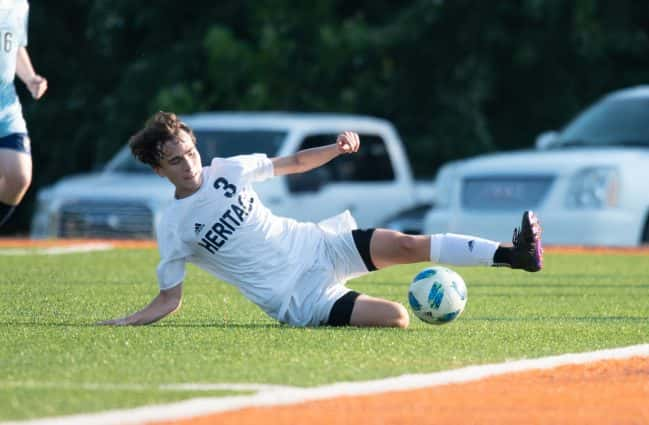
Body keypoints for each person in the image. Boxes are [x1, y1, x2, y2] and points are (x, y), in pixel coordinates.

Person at [99, 112, 543, 328]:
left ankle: (515, 255)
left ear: (196, 145)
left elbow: (291, 162)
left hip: (318, 244)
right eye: (176, 162)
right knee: (397, 318)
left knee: (408, 245)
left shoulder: (228, 170)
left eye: (190, 152)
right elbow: (168, 300)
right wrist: (122, 322)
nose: (189, 165)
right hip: (299, 297)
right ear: (160, 171)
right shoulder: (173, 227)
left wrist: (335, 148)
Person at [0, 0, 47, 228]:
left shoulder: (19, 4)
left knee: (19, 177)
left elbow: (16, 45)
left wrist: (30, 77)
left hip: (5, 105)